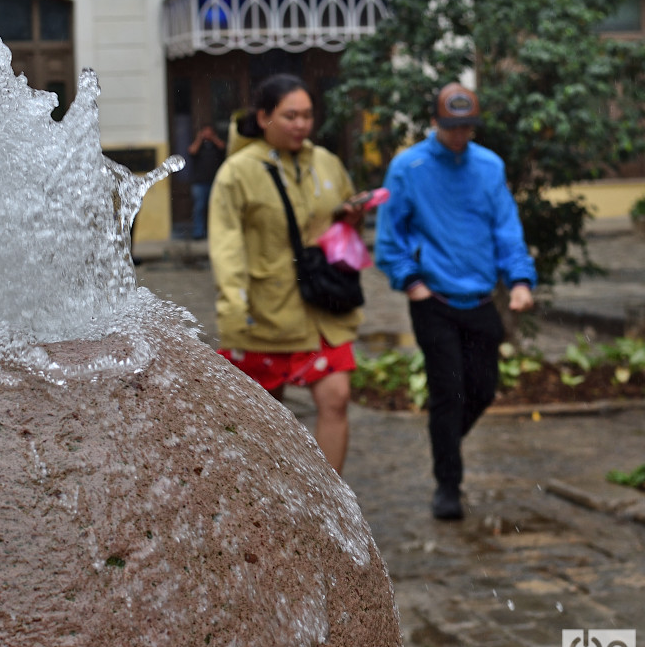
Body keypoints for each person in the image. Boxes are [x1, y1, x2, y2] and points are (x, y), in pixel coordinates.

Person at [375, 82, 537, 520]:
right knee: (448, 390)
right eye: (452, 127)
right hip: (433, 298)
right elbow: (388, 236)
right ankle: (449, 486)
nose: (460, 135)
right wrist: (412, 283)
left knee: (483, 389)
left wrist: (519, 279)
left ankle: (445, 442)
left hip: (480, 296)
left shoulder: (489, 166)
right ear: (434, 123)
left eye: (467, 127)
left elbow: (507, 228)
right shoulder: (409, 167)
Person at [209, 74, 367, 476]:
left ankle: (333, 502)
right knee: (265, 414)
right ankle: (272, 502)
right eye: (290, 116)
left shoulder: (327, 163)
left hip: (320, 310)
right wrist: (233, 308)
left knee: (336, 397)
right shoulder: (236, 173)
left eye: (308, 116)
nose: (301, 125)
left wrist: (351, 220)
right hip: (266, 312)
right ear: (263, 118)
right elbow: (227, 247)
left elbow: (341, 230)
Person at [186, 124, 225, 240]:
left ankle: (215, 232)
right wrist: (199, 139)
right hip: (199, 183)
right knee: (199, 208)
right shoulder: (199, 145)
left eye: (210, 132)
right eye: (205, 132)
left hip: (215, 182)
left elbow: (223, 147)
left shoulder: (216, 145)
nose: (207, 134)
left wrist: (213, 138)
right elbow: (191, 151)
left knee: (215, 208)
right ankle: (198, 232)